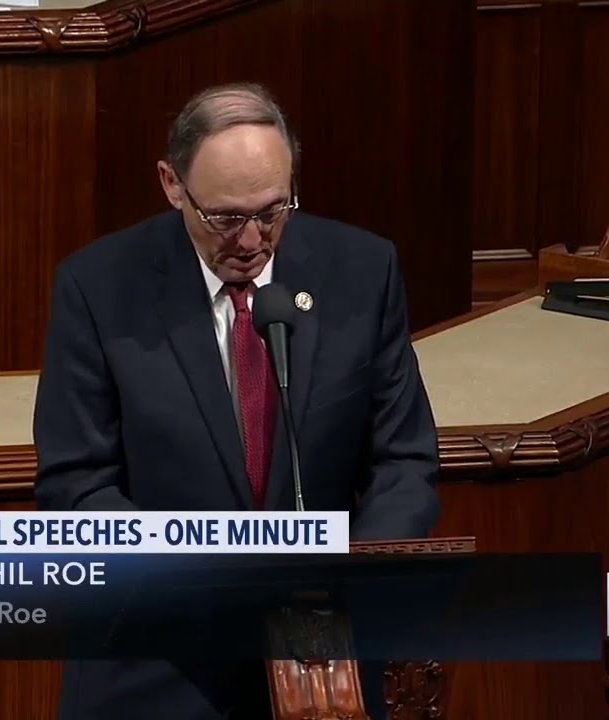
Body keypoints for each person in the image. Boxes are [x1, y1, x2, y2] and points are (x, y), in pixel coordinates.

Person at [33, 83, 440, 720]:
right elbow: (76, 484)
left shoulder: (363, 270)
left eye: (275, 210)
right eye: (227, 217)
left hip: (319, 658)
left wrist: (357, 577)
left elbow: (405, 462)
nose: (253, 240)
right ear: (172, 185)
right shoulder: (99, 288)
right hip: (158, 657)